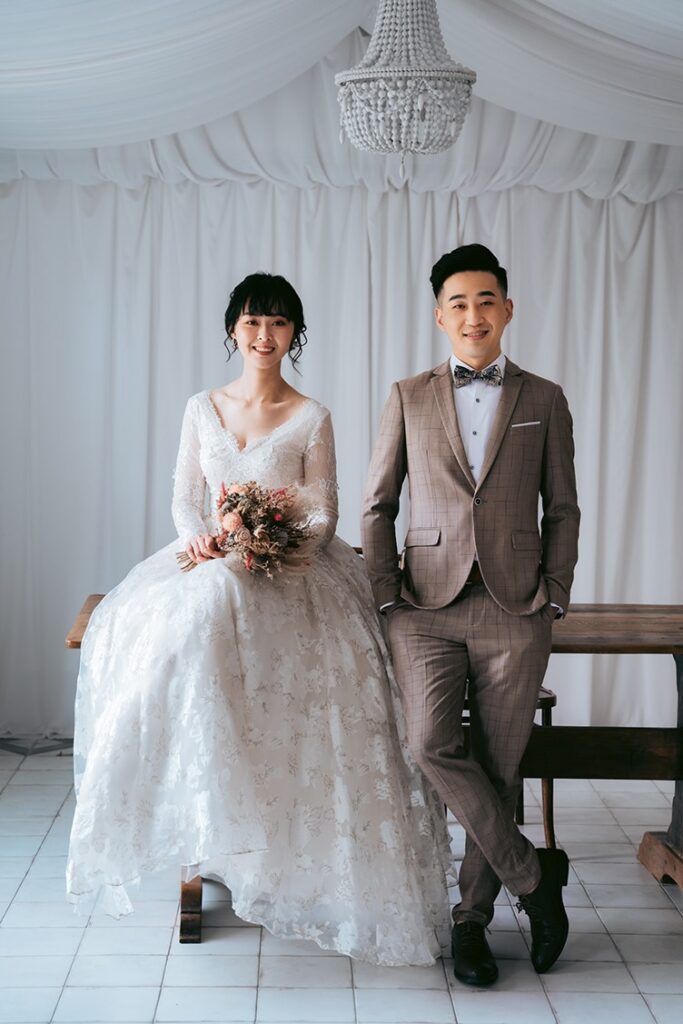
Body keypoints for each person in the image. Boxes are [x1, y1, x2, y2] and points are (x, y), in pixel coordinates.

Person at [66, 272, 452, 967]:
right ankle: (203, 819)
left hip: (292, 568)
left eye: (277, 323)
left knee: (261, 639)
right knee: (194, 619)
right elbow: (185, 497)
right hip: (214, 562)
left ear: (294, 334)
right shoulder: (201, 407)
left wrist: (274, 541)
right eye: (252, 322)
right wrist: (201, 540)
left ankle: (277, 843)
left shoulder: (311, 415)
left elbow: (325, 511)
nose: (264, 335)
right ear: (233, 331)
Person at [361, 244, 580, 985]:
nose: (473, 315)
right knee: (430, 744)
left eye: (486, 301)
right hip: (423, 605)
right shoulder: (406, 394)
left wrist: (555, 591)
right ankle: (534, 878)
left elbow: (563, 506)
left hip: (517, 606)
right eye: (458, 303)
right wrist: (385, 594)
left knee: (499, 766)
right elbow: (377, 504)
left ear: (507, 309)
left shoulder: (544, 398)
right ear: (438, 316)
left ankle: (471, 924)